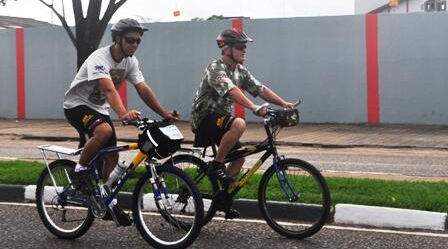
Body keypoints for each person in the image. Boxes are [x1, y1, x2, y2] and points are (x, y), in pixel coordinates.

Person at [63, 18, 179, 225]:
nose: (134, 45)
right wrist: (124, 113)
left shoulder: (131, 61)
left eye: (138, 41)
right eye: (130, 40)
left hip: (98, 108)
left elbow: (143, 89)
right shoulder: (99, 58)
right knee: (104, 131)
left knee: (112, 157)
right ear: (117, 39)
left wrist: (164, 114)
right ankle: (79, 172)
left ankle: (105, 199)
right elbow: (109, 89)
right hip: (76, 105)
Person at [190, 28, 295, 216]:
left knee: (239, 158)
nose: (244, 50)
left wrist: (283, 103)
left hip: (222, 121)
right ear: (226, 49)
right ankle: (216, 165)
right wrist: (254, 107)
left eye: (245, 46)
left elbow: (260, 88)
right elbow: (232, 91)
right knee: (239, 123)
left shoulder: (240, 70)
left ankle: (222, 200)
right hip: (205, 118)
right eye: (240, 46)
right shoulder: (215, 67)